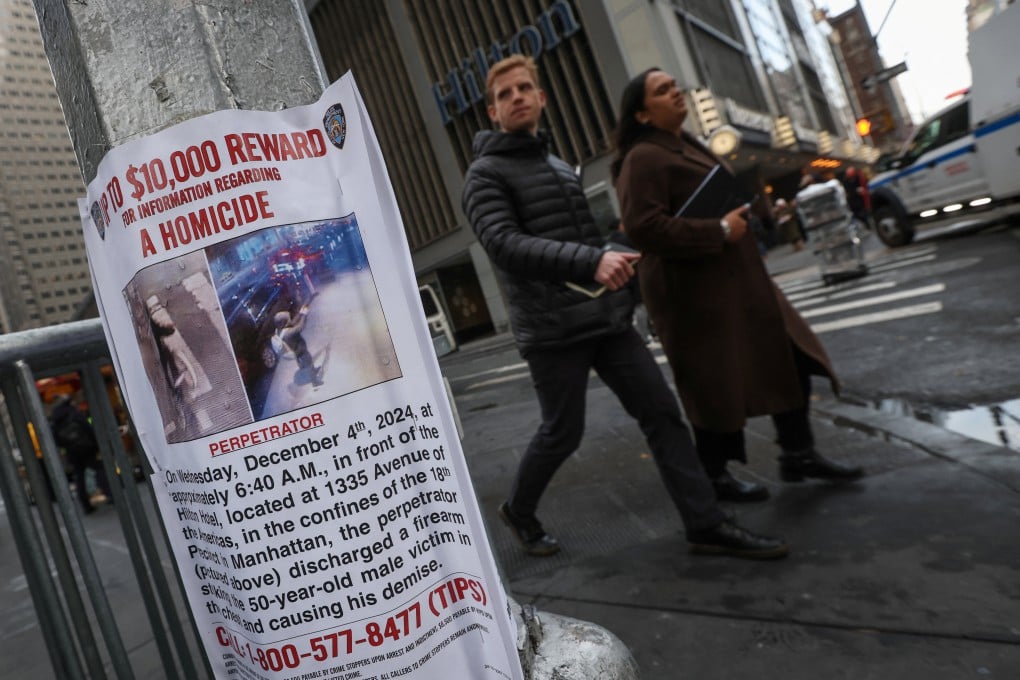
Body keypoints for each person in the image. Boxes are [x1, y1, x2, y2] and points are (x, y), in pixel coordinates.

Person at [461, 55, 787, 560]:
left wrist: (620, 275)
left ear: (542, 99)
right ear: (492, 112)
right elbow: (505, 246)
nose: (517, 97)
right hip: (552, 330)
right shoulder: (484, 175)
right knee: (562, 432)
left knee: (663, 414)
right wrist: (592, 261)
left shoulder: (558, 166)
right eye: (505, 94)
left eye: (525, 88)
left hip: (606, 321)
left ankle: (705, 524)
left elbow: (586, 240)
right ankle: (519, 510)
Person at [611, 68, 863, 502]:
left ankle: (798, 453)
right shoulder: (643, 158)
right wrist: (720, 230)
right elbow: (643, 228)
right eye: (662, 91)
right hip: (696, 294)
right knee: (715, 384)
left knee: (790, 354)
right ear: (643, 114)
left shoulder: (686, 142)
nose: (675, 93)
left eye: (674, 86)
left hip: (739, 281)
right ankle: (714, 476)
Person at [49, 395, 112, 514]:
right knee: (99, 469)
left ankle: (85, 504)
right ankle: (109, 493)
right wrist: (96, 444)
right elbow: (87, 428)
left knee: (79, 477)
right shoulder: (74, 413)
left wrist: (67, 447)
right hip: (87, 447)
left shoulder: (55, 419)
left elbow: (56, 439)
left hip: (72, 451)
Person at [274, 306, 323, 386]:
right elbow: (300, 327)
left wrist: (300, 313)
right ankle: (315, 382)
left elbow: (292, 322)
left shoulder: (279, 330)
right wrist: (304, 315)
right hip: (300, 351)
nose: (290, 319)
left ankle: (312, 370)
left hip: (295, 351)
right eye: (288, 319)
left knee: (306, 362)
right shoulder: (288, 333)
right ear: (283, 323)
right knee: (309, 364)